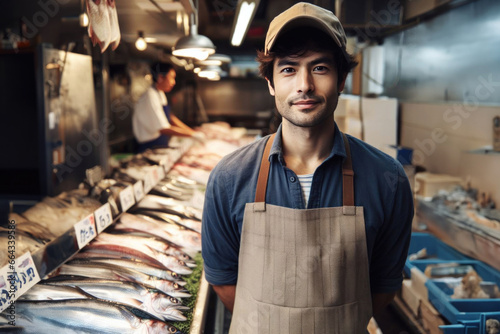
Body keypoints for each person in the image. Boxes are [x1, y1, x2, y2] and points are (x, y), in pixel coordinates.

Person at [201, 3, 414, 333]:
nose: (304, 85)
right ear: (270, 82)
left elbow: (384, 286)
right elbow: (224, 282)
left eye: (319, 68)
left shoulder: (387, 179)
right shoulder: (229, 178)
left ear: (342, 79)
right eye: (288, 69)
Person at [132, 62, 204, 152]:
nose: (174, 82)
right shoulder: (150, 96)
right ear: (160, 78)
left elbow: (170, 118)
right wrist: (192, 135)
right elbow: (163, 128)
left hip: (159, 143)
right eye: (172, 78)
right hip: (149, 146)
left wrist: (191, 132)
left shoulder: (159, 93)